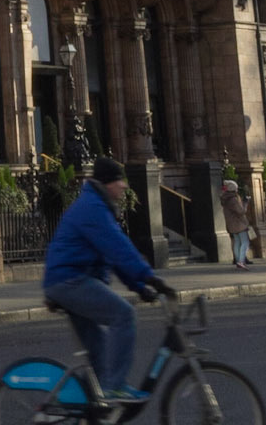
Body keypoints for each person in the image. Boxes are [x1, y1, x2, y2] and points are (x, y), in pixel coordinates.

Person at [42, 157, 176, 403]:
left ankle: (98, 406)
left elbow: (113, 257)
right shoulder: (93, 208)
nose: (124, 186)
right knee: (123, 315)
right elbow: (119, 248)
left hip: (70, 280)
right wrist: (150, 277)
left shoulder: (97, 205)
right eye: (119, 180)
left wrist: (140, 287)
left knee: (100, 353)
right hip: (70, 281)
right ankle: (114, 388)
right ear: (106, 183)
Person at [220, 179, 252, 269]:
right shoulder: (232, 199)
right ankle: (241, 261)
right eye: (236, 188)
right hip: (239, 224)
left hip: (232, 224)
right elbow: (241, 211)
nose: (237, 189)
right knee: (245, 242)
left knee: (237, 242)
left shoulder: (226, 198)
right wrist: (245, 203)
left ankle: (238, 260)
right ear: (233, 189)